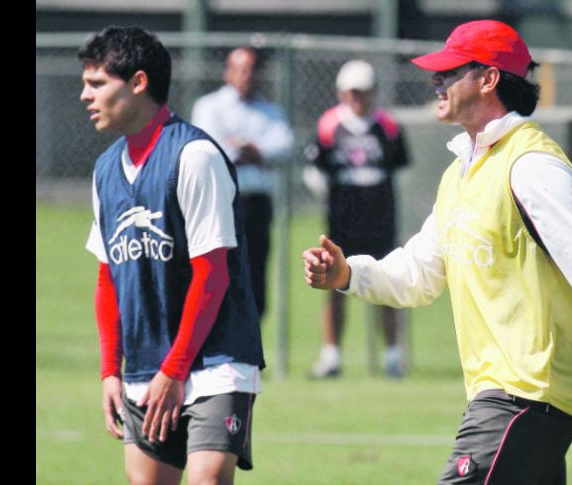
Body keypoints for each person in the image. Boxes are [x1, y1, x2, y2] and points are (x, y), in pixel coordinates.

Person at [302, 20, 572, 485]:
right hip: (510, 399)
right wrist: (348, 274)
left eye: (451, 70)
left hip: (526, 395)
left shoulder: (532, 166)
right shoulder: (461, 173)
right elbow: (419, 272)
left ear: (489, 78)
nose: (438, 80)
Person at [80, 26, 265, 485]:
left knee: (207, 479)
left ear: (138, 82)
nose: (85, 95)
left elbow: (212, 274)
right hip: (146, 366)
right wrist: (110, 370)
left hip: (216, 362)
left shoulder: (194, 155)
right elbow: (108, 278)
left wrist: (175, 368)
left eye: (97, 83)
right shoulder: (105, 170)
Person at [304, 59, 410, 379]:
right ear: (341, 93)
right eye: (352, 92)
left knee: (387, 283)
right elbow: (313, 170)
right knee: (336, 285)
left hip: (379, 217)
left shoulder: (388, 126)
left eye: (363, 92)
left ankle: (392, 356)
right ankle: (331, 355)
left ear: (373, 92)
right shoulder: (328, 125)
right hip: (343, 219)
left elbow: (401, 170)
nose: (357, 99)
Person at [191, 47, 294, 320]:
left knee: (254, 273)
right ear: (227, 71)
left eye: (250, 69)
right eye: (238, 69)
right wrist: (249, 152)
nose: (244, 76)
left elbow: (283, 146)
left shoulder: (270, 112)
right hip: (219, 204)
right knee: (217, 273)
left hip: (256, 204)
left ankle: (248, 348)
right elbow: (211, 148)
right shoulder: (209, 106)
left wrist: (249, 149)